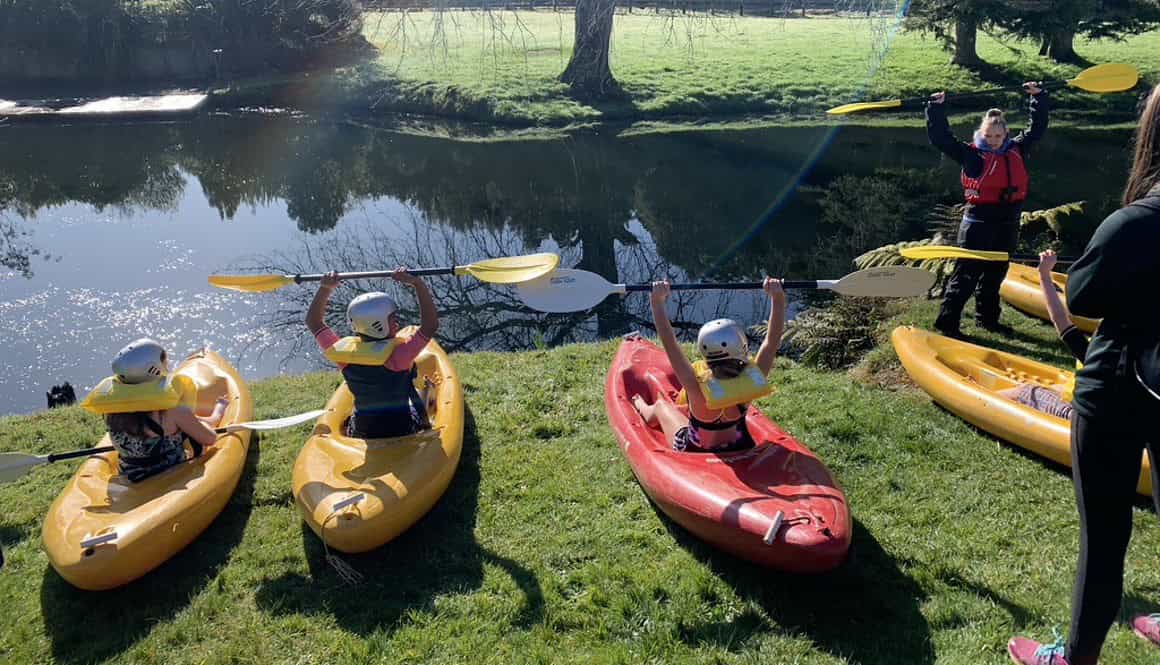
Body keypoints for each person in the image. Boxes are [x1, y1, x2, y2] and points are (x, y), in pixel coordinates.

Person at [1008, 83, 1160, 665]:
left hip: (1118, 386)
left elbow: (1085, 299)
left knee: (1104, 536)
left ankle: (1075, 658)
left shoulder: (1132, 223)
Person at [927, 82, 1049, 339]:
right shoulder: (971, 155)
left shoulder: (1016, 149)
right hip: (978, 223)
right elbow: (941, 138)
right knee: (966, 276)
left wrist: (1038, 98)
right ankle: (946, 324)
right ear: (981, 134)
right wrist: (935, 109)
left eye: (997, 136)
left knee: (995, 275)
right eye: (989, 136)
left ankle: (988, 320)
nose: (993, 141)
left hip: (1008, 221)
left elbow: (1037, 128)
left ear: (1005, 134)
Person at [632, 277, 785, 453]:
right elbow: (771, 342)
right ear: (741, 345)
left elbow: (669, 342)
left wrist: (657, 302)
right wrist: (777, 298)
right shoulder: (752, 378)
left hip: (693, 450)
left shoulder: (694, 384)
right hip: (740, 445)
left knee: (661, 407)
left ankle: (641, 406)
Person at [306, 268, 438, 439]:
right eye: (393, 319)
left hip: (361, 431)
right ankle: (428, 389)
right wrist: (417, 284)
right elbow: (430, 325)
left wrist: (325, 288)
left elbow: (314, 322)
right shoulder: (399, 355)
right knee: (425, 387)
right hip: (402, 429)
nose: (397, 323)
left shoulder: (343, 356)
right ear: (379, 324)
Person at [80, 339, 228, 483]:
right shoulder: (172, 410)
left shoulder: (112, 410)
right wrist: (218, 411)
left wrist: (193, 421)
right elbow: (209, 438)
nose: (167, 364)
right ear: (154, 369)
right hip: (170, 474)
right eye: (164, 361)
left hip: (130, 474)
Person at [996, 250, 1087, 420]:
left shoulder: (1094, 353)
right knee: (1059, 388)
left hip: (1083, 418)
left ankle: (970, 404)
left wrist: (1044, 274)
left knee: (1025, 391)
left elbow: (1059, 318)